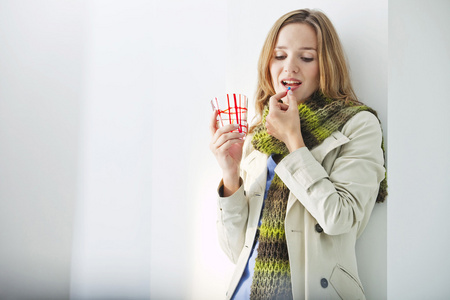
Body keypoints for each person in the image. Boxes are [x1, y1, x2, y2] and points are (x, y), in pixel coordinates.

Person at [209, 8, 387, 300]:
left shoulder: (358, 125)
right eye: (279, 56)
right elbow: (235, 250)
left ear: (326, 65)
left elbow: (339, 218)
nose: (289, 68)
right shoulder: (258, 134)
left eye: (306, 58)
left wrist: (293, 139)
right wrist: (230, 175)